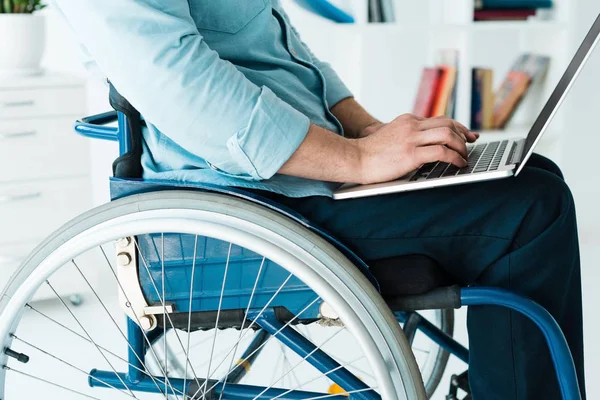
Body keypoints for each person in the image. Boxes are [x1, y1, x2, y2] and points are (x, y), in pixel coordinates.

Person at [53, 1, 585, 398]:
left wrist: (372, 134)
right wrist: (358, 161)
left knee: (530, 174)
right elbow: (181, 86)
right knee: (529, 208)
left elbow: (274, 39)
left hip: (302, 177)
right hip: (251, 200)